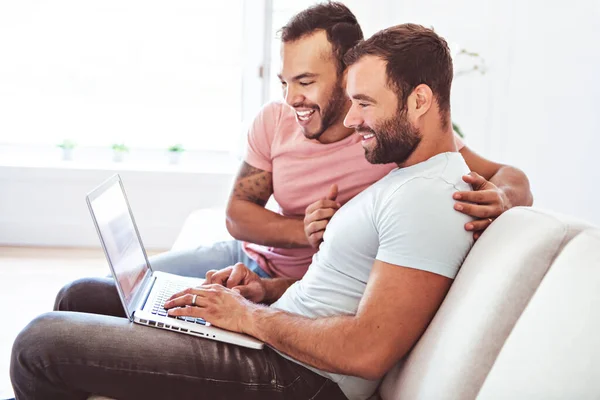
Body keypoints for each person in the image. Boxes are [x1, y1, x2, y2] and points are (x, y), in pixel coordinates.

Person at [13, 22, 475, 400]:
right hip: (280, 339)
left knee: (39, 343)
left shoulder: (430, 197)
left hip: (299, 377)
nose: (352, 120)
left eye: (365, 103)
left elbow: (368, 350)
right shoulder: (408, 175)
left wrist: (248, 318)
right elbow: (352, 289)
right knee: (79, 299)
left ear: (419, 101)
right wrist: (264, 291)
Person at [52, 3, 532, 316]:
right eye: (284, 82)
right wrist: (299, 229)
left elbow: (508, 175)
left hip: (296, 291)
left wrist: (505, 197)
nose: (291, 99)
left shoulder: (386, 135)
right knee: (97, 294)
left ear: (348, 72)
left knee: (93, 304)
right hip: (246, 261)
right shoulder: (274, 122)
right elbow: (237, 215)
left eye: (305, 81)